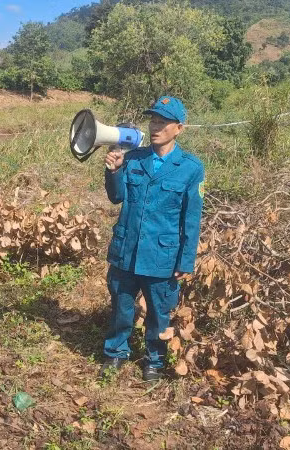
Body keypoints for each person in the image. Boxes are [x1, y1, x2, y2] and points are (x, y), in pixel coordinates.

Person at [100, 95, 204, 382]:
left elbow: (191, 218)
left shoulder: (191, 167)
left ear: (179, 128)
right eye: (153, 120)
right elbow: (116, 196)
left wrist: (186, 259)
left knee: (159, 311)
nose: (156, 126)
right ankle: (115, 353)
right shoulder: (133, 158)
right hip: (127, 250)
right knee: (121, 305)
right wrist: (114, 170)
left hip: (162, 255)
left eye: (163, 121)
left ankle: (154, 361)